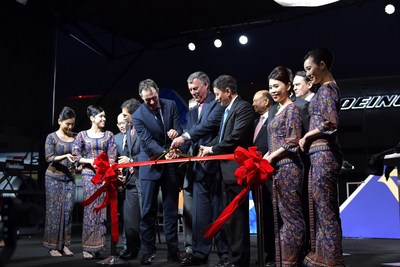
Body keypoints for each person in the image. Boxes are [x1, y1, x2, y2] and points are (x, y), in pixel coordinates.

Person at [169, 71, 229, 266]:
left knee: (219, 212)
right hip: (198, 169)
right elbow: (190, 137)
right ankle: (200, 253)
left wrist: (184, 138)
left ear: (206, 85)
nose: (193, 92)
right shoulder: (192, 112)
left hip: (217, 167)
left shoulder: (218, 103)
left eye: (195, 88)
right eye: (190, 90)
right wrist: (178, 151)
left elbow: (208, 126)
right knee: (200, 214)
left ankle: (224, 253)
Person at [199, 75, 254, 267]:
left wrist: (213, 149)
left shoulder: (243, 107)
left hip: (237, 173)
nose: (216, 99)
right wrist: (208, 147)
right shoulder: (226, 111)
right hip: (224, 173)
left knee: (238, 221)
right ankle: (233, 258)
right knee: (229, 220)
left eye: (217, 94)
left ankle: (239, 261)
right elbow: (222, 137)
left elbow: (236, 137)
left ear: (228, 91)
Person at [299, 47, 344, 267]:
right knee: (323, 207)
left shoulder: (327, 90)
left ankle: (332, 259)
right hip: (319, 155)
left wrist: (307, 135)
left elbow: (331, 123)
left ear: (322, 65)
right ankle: (325, 256)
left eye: (310, 68)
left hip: (325, 155)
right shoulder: (324, 89)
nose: (307, 73)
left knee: (325, 208)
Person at [131, 79, 183, 265]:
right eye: (147, 100)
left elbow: (179, 127)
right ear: (141, 98)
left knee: (170, 212)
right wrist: (165, 153)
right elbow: (146, 142)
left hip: (170, 166)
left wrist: (176, 133)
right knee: (147, 213)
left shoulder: (171, 105)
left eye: (153, 98)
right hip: (150, 165)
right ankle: (147, 252)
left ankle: (173, 252)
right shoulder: (137, 115)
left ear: (158, 92)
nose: (152, 102)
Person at [264, 66, 306, 266]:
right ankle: (285, 259)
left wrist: (272, 156)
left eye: (276, 86)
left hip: (289, 167)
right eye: (270, 87)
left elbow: (292, 142)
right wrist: (266, 156)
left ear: (288, 86)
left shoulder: (293, 109)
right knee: (283, 214)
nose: (272, 91)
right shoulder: (278, 109)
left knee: (292, 215)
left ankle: (293, 259)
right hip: (277, 168)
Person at [72, 105, 117, 260]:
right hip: (89, 176)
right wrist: (91, 161)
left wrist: (105, 167)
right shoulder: (82, 135)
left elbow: (112, 157)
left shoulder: (109, 135)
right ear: (92, 118)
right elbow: (76, 156)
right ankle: (87, 247)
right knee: (91, 208)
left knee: (102, 209)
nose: (104, 119)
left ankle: (99, 246)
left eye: (104, 116)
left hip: (104, 176)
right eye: (101, 116)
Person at [43, 106, 77, 257]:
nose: (70, 127)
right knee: (54, 211)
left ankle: (65, 245)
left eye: (72, 124)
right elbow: (49, 157)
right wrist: (65, 156)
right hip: (53, 178)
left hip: (69, 179)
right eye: (67, 124)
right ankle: (52, 246)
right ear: (59, 121)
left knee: (68, 212)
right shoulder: (51, 137)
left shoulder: (76, 137)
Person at [251, 90, 276, 267]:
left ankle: (275, 255)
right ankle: (266, 253)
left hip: (271, 174)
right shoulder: (255, 123)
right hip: (256, 175)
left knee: (272, 214)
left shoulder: (274, 119)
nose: (252, 104)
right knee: (262, 216)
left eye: (255, 100)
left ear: (266, 101)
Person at [118, 98, 142, 260]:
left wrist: (132, 161)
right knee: (129, 219)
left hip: (144, 178)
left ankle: (148, 251)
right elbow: (127, 152)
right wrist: (122, 169)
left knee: (145, 218)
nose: (124, 119)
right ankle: (131, 249)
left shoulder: (145, 127)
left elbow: (151, 153)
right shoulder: (128, 128)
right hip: (130, 180)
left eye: (126, 116)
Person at [114, 113, 127, 250]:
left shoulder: (136, 134)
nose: (122, 125)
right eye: (120, 124)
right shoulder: (115, 138)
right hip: (119, 181)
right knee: (121, 213)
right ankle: (124, 242)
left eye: (124, 122)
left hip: (134, 179)